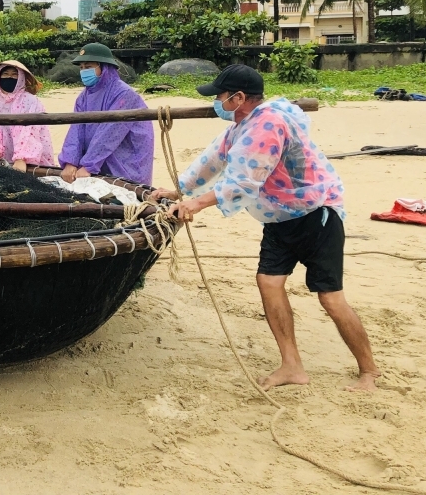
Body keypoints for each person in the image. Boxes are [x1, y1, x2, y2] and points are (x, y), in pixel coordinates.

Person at [156, 64, 379, 392]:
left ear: (239, 98)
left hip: (315, 215)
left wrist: (196, 204)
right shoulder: (240, 125)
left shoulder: (268, 124)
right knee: (269, 282)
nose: (217, 102)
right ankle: (292, 365)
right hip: (279, 219)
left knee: (330, 298)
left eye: (220, 96)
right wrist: (179, 189)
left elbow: (243, 181)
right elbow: (214, 159)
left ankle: (369, 371)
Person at [58, 43, 154, 184]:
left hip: (125, 159)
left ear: (104, 67)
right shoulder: (83, 97)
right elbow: (76, 130)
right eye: (81, 67)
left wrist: (88, 165)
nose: (84, 71)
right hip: (95, 161)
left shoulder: (124, 94)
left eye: (89, 67)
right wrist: (70, 161)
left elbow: (110, 133)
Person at [0, 60, 55, 172]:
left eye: (14, 74)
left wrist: (21, 159)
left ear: (20, 78)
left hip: (30, 161)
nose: (9, 77)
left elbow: (30, 132)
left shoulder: (31, 102)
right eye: (5, 74)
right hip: (4, 161)